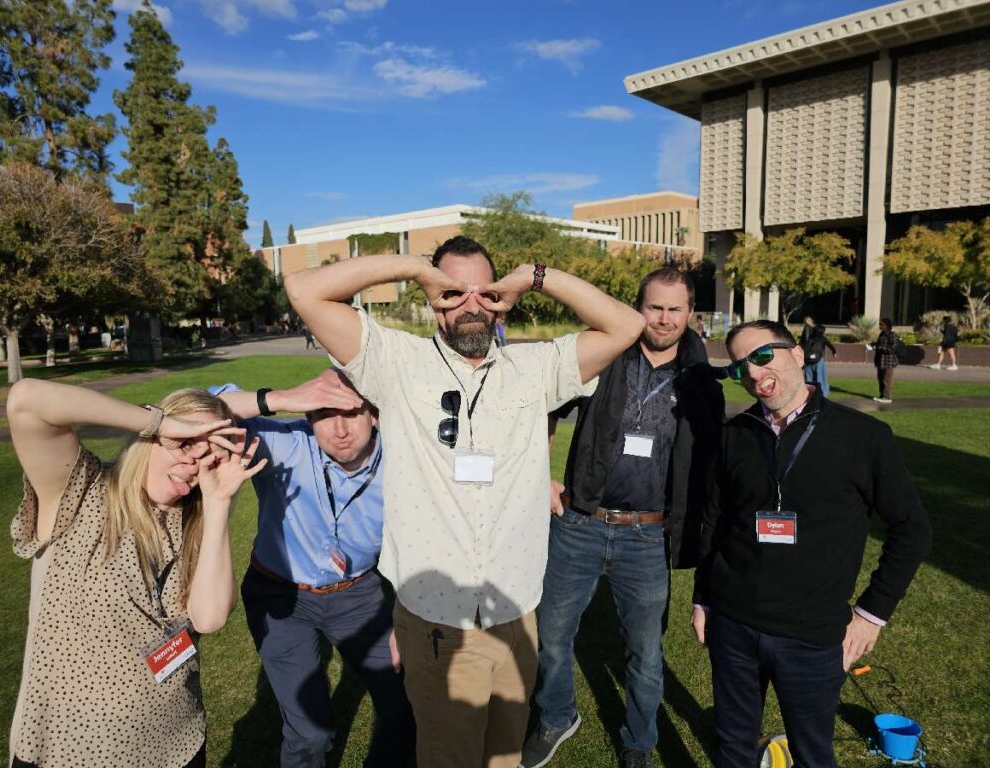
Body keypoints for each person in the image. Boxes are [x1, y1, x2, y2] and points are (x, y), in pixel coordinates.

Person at [285, 235, 644, 768]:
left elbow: (626, 326)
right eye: (453, 293)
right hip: (438, 621)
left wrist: (534, 275)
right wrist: (415, 269)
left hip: (516, 611)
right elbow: (304, 289)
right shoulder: (395, 363)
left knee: (504, 756)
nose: (470, 304)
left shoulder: (536, 368)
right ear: (432, 299)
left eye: (484, 292)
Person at [692, 320, 932, 768]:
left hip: (814, 637)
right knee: (733, 747)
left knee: (813, 754)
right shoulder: (734, 434)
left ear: (799, 354)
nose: (754, 373)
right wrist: (704, 599)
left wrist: (870, 616)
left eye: (763, 355)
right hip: (734, 627)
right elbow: (714, 521)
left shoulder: (862, 437)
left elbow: (912, 529)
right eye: (740, 366)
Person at [521, 268, 724, 768]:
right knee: (551, 636)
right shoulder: (604, 356)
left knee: (647, 655)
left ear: (690, 314)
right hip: (581, 523)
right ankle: (556, 715)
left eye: (675, 309)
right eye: (654, 307)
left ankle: (638, 742)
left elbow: (713, 467)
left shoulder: (701, 382)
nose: (664, 318)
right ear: (639, 309)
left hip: (648, 535)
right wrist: (541, 473)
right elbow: (542, 404)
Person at [5, 379, 264, 767]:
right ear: (152, 436)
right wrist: (159, 422)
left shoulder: (193, 523)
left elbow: (208, 618)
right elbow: (27, 401)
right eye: (184, 443)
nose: (192, 463)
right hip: (68, 753)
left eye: (207, 455)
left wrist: (219, 501)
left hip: (176, 746)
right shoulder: (82, 492)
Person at [211, 370, 414, 768]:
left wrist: (407, 617)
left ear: (374, 414)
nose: (339, 429)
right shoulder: (286, 442)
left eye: (352, 413)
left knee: (403, 705)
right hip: (280, 595)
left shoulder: (404, 460)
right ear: (307, 415)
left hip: (357, 593)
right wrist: (280, 397)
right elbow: (193, 413)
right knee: (310, 732)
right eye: (323, 413)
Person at [799, 316, 836, 396]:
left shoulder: (807, 332)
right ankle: (822, 394)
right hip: (818, 360)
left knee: (809, 378)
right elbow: (829, 344)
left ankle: (809, 394)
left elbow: (802, 344)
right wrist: (834, 351)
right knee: (820, 377)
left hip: (808, 359)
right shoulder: (820, 336)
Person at [873, 318, 901, 404]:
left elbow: (891, 349)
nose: (880, 326)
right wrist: (872, 345)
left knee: (886, 379)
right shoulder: (882, 334)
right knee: (880, 378)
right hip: (880, 360)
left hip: (888, 361)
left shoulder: (892, 335)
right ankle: (882, 395)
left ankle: (887, 397)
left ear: (887, 326)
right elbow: (879, 344)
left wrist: (878, 347)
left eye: (882, 324)